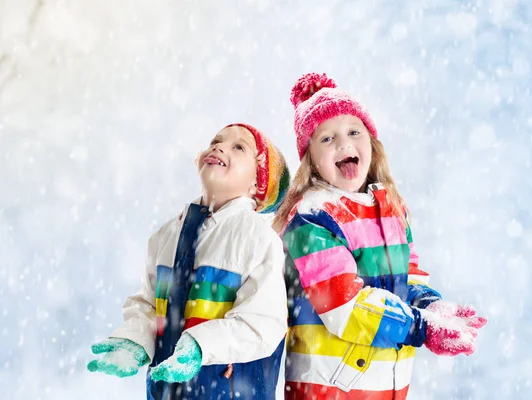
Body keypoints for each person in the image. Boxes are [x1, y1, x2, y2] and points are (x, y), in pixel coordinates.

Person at [273, 73, 487, 399]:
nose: (344, 143)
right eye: (327, 139)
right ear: (311, 161)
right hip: (327, 390)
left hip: (385, 388)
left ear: (371, 143)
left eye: (353, 132)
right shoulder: (312, 218)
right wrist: (421, 326)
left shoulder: (390, 210)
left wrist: (430, 306)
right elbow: (344, 307)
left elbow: (408, 277)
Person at [88, 123, 291, 400]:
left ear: (258, 184)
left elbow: (262, 324)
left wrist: (200, 345)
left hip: (230, 392)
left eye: (238, 147)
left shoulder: (258, 239)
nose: (219, 146)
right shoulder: (166, 236)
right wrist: (134, 339)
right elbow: (149, 306)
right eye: (216, 140)